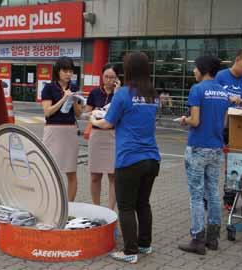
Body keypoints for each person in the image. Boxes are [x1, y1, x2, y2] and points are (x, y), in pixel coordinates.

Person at [90, 52, 160, 264]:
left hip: (129, 159)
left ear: (128, 70)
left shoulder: (123, 94)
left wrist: (93, 119)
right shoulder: (153, 94)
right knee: (143, 204)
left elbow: (108, 122)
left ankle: (130, 251)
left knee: (126, 206)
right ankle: (145, 244)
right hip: (152, 158)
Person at [178, 56, 230, 255]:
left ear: (203, 69)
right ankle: (213, 238)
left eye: (195, 68)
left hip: (198, 147)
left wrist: (185, 119)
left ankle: (197, 239)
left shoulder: (197, 90)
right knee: (214, 194)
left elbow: (196, 120)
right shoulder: (223, 93)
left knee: (197, 196)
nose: (194, 71)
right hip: (217, 148)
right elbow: (224, 124)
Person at [215, 48, 242, 211]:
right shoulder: (220, 76)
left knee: (233, 163)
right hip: (219, 125)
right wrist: (228, 98)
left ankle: (229, 198)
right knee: (211, 161)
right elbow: (212, 98)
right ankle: (205, 197)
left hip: (237, 128)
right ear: (237, 59)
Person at [41, 56, 82, 202]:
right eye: (65, 71)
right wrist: (64, 99)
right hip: (53, 131)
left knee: (71, 171)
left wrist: (76, 100)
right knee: (51, 169)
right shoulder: (49, 88)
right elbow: (47, 112)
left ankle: (70, 205)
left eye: (71, 71)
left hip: (70, 130)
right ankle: (52, 202)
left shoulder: (74, 87)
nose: (68, 74)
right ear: (58, 71)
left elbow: (78, 113)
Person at [85, 64, 120, 210]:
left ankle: (111, 211)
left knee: (113, 176)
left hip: (114, 136)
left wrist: (117, 93)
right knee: (95, 176)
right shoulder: (94, 93)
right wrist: (95, 113)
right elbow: (87, 113)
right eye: (106, 76)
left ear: (117, 78)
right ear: (102, 76)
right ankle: (96, 209)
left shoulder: (121, 94)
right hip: (97, 135)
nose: (109, 80)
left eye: (112, 77)